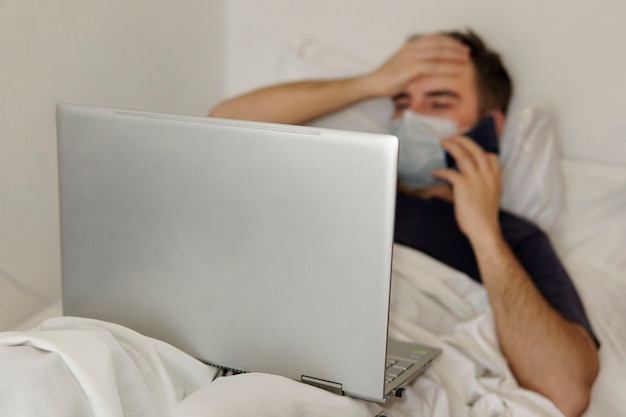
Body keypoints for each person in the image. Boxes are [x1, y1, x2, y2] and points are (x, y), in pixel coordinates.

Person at [209, 29, 599, 417]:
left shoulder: (516, 236)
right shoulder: (350, 188)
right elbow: (222, 126)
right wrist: (372, 82)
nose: (413, 118)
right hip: (286, 342)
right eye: (401, 102)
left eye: (439, 102)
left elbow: (565, 390)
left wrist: (483, 232)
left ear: (489, 126)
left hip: (386, 374)